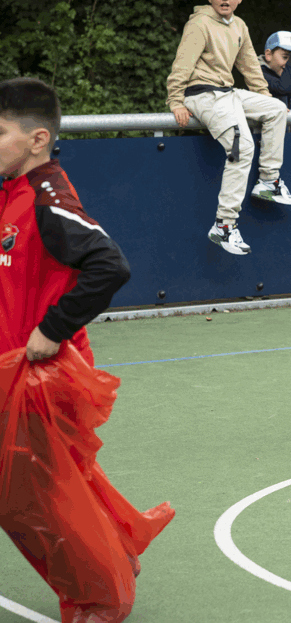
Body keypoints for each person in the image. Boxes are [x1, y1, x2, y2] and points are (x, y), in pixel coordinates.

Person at [0, 77, 175, 622]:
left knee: (35, 495)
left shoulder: (50, 198)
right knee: (57, 482)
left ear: (37, 139)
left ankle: (102, 596)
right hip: (14, 372)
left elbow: (109, 265)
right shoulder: (11, 190)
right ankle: (116, 548)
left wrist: (51, 330)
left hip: (43, 377)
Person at [167, 0, 291, 256]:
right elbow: (182, 64)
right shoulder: (199, 24)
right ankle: (224, 225)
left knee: (277, 109)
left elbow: (250, 65)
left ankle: (268, 181)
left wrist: (263, 97)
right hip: (203, 93)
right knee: (242, 147)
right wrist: (176, 100)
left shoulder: (239, 25)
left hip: (228, 93)